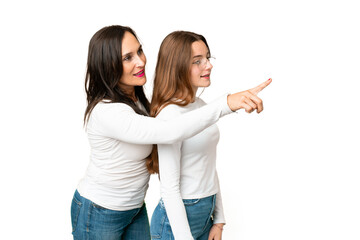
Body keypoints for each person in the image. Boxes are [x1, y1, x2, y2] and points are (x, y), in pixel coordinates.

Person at [71, 25, 270, 240]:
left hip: (135, 208)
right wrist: (227, 103)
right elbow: (169, 131)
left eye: (139, 51)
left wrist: (218, 220)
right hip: (100, 210)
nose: (141, 61)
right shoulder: (107, 112)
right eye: (127, 58)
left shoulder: (138, 102)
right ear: (107, 65)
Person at [148, 31, 271, 240]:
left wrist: (219, 220)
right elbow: (169, 190)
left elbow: (208, 165)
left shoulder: (202, 107)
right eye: (198, 61)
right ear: (177, 67)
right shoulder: (169, 115)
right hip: (176, 222)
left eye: (207, 57)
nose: (209, 65)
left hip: (206, 212)